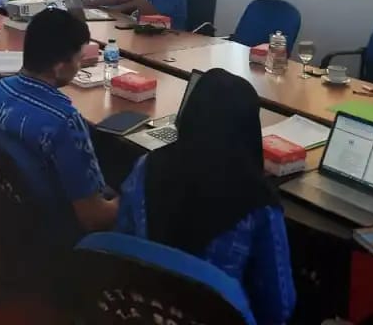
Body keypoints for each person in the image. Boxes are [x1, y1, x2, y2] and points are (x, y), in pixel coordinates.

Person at [117, 68, 296, 325]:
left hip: (143, 312)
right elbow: (280, 307)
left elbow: (122, 242)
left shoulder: (147, 165)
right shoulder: (260, 203)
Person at [0, 9, 117, 231]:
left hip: (10, 211)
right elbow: (93, 217)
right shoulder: (64, 121)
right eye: (79, 59)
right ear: (59, 67)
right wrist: (131, 198)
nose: (80, 65)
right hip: (53, 224)